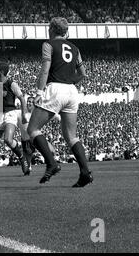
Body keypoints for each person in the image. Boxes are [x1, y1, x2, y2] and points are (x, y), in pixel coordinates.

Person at [27, 17, 93, 187]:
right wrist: (70, 81)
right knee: (71, 136)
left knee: (33, 129)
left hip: (55, 88)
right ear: (66, 31)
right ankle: (85, 172)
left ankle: (51, 163)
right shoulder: (75, 48)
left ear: (52, 30)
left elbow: (45, 69)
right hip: (71, 90)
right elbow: (83, 73)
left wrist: (39, 92)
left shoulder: (48, 44)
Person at [17, 96, 58, 175]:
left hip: (36, 137)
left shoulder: (37, 114)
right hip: (26, 140)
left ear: (34, 104)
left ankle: (52, 166)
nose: (28, 103)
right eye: (28, 101)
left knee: (52, 151)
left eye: (30, 102)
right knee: (26, 168)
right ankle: (28, 169)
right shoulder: (20, 113)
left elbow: (53, 115)